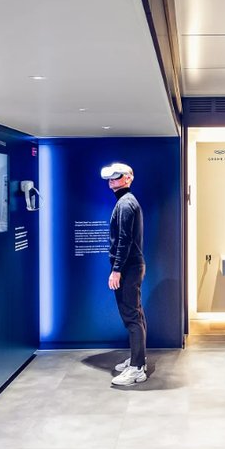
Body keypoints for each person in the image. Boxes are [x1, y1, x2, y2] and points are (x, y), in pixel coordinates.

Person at [101, 162, 148, 386]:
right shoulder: (125, 202)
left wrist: (116, 269)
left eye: (117, 176)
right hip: (131, 266)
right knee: (135, 314)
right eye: (110, 177)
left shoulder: (126, 203)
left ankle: (137, 369)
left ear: (128, 178)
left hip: (128, 268)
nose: (112, 180)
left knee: (131, 317)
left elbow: (124, 240)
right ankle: (139, 359)